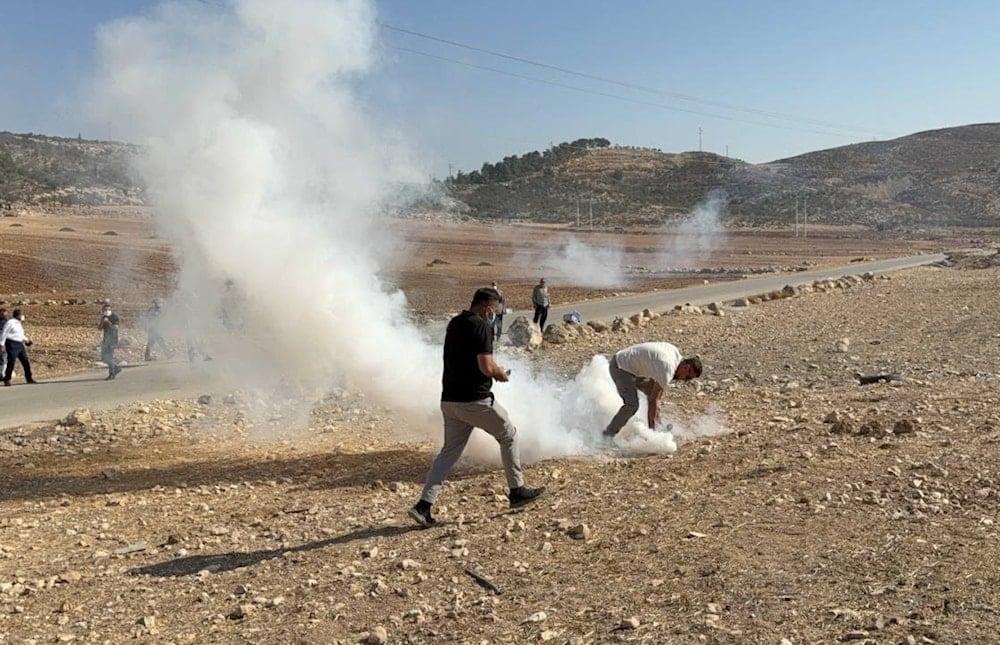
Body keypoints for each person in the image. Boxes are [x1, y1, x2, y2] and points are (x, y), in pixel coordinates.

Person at [409, 287, 545, 528]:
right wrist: (500, 373)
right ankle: (517, 490)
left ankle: (423, 506)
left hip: (450, 400)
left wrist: (492, 368)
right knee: (509, 435)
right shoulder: (482, 326)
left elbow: (467, 359)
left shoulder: (455, 323)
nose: (496, 315)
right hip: (474, 400)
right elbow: (485, 366)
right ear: (487, 308)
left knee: (448, 453)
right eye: (496, 311)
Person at [604, 342, 702, 438]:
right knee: (632, 405)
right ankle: (608, 435)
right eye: (687, 377)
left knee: (653, 394)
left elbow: (656, 399)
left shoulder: (675, 354)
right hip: (620, 367)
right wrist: (653, 435)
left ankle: (659, 427)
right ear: (686, 367)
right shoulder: (667, 369)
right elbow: (653, 401)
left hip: (633, 367)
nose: (685, 380)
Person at [1, 308, 36, 386]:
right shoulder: (10, 322)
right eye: (22, 314)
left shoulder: (18, 323)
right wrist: (1, 345)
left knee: (25, 361)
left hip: (19, 344)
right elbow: (4, 333)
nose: (23, 316)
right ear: (18, 315)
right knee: (11, 361)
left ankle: (29, 378)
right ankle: (7, 378)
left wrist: (27, 340)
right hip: (11, 344)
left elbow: (20, 335)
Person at [98, 302, 122, 380]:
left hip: (112, 339)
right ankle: (116, 367)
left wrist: (108, 322)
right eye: (105, 309)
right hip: (106, 339)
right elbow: (99, 328)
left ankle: (112, 374)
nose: (106, 311)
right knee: (104, 357)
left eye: (108, 309)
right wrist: (103, 322)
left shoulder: (114, 317)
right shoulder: (104, 317)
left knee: (109, 356)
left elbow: (115, 328)